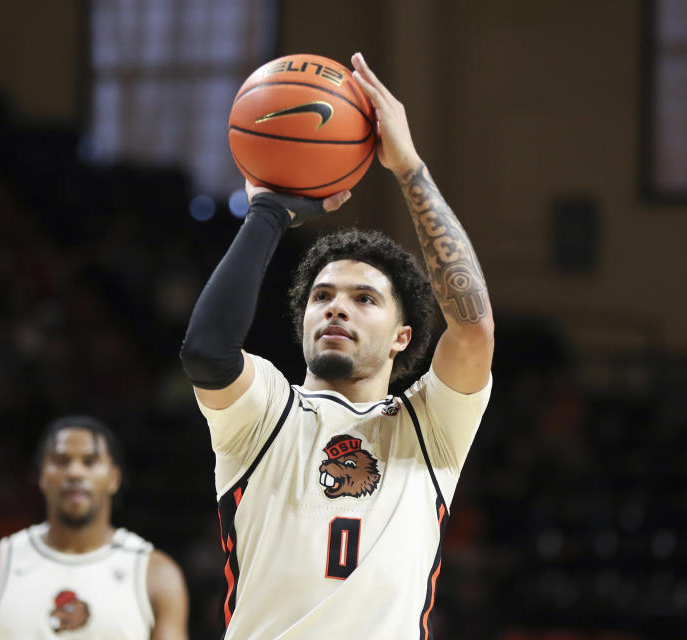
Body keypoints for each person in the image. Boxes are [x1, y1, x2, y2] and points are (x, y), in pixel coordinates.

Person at [179, 52, 494, 639]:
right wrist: (268, 212)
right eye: (322, 296)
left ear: (404, 337)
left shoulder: (429, 427)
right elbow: (206, 352)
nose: (337, 307)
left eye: (365, 299)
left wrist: (410, 170)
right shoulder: (267, 412)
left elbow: (472, 327)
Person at [0, 415, 189, 639]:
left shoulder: (156, 573)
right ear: (41, 477)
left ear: (114, 478)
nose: (74, 472)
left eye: (90, 461)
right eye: (61, 461)